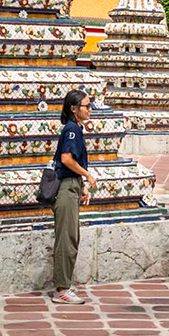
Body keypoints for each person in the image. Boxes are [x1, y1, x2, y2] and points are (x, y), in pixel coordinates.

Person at [50, 89, 96, 304]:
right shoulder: (71, 130)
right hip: (66, 189)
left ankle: (64, 285)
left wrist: (82, 185)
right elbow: (67, 159)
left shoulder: (76, 129)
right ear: (74, 109)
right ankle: (62, 289)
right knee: (66, 240)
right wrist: (87, 175)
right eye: (86, 106)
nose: (90, 109)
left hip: (72, 186)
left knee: (71, 237)